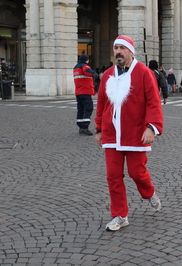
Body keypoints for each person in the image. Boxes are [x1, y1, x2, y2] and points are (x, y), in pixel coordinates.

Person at [94, 35, 164, 232]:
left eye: (122, 48)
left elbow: (153, 102)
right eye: (115, 48)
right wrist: (99, 128)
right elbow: (102, 104)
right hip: (110, 134)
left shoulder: (144, 73)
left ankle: (149, 193)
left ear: (131, 51)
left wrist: (152, 127)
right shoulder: (107, 74)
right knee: (113, 176)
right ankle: (119, 215)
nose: (118, 52)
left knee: (137, 173)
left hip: (135, 133)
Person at [73, 54, 98, 135]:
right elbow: (88, 71)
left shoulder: (76, 67)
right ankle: (85, 127)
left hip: (78, 92)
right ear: (86, 60)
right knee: (88, 108)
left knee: (80, 109)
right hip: (85, 91)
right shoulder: (84, 66)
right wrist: (94, 73)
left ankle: (80, 127)